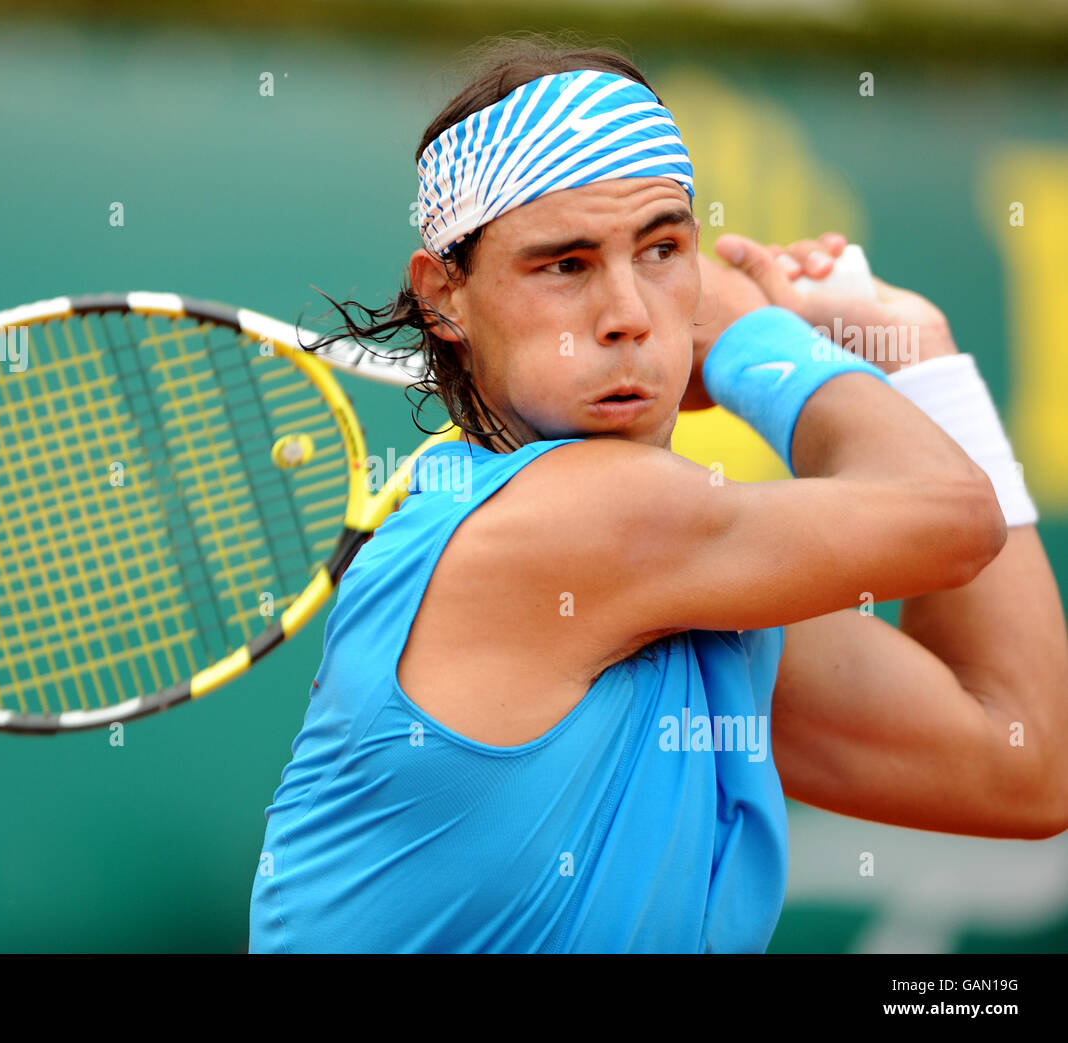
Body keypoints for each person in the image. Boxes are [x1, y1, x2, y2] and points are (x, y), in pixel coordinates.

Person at [248, 36, 1068, 954]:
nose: (629, 312)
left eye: (663, 249)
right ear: (445, 295)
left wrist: (922, 353)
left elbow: (1024, 765)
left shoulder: (684, 579)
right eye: (566, 264)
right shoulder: (579, 521)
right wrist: (760, 338)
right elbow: (953, 515)